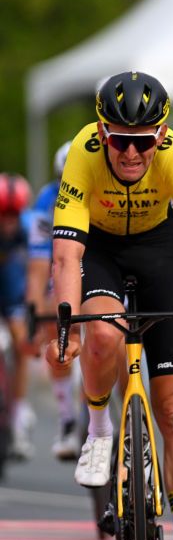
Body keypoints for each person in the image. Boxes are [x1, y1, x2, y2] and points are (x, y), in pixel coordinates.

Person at [45, 71, 173, 540]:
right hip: (98, 246)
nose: (129, 153)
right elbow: (67, 254)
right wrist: (64, 322)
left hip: (160, 248)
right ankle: (99, 430)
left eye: (141, 142)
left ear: (160, 136)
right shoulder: (83, 150)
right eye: (119, 141)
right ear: (102, 133)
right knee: (101, 333)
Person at [24, 142, 82, 460]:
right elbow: (38, 265)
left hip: (97, 263)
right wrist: (35, 312)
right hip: (62, 264)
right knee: (51, 313)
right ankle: (67, 417)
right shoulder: (47, 200)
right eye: (64, 179)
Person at [0, 173, 33, 460]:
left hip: (12, 295)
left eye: (13, 215)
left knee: (22, 343)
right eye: (3, 215)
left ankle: (19, 408)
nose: (8, 221)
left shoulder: (28, 230)